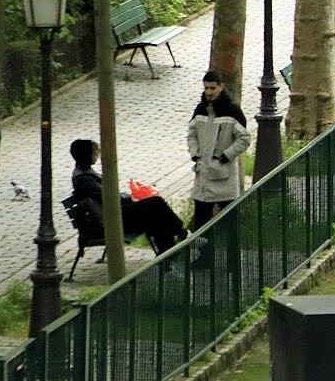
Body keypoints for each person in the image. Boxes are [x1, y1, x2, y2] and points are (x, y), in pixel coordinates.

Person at [67, 138, 187, 255]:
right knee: (156, 203)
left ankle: (168, 254)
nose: (97, 154)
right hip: (115, 219)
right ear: (86, 154)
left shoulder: (84, 173)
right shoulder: (85, 179)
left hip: (114, 214)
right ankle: (182, 234)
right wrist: (128, 197)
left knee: (157, 218)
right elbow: (112, 197)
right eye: (94, 152)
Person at [188, 72, 250, 230]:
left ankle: (231, 254)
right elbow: (191, 134)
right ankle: (203, 254)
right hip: (203, 176)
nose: (209, 92)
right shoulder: (200, 109)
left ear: (221, 86)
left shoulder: (233, 111)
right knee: (201, 226)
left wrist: (225, 156)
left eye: (212, 88)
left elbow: (244, 138)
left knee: (230, 226)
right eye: (206, 88)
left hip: (225, 177)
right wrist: (195, 154)